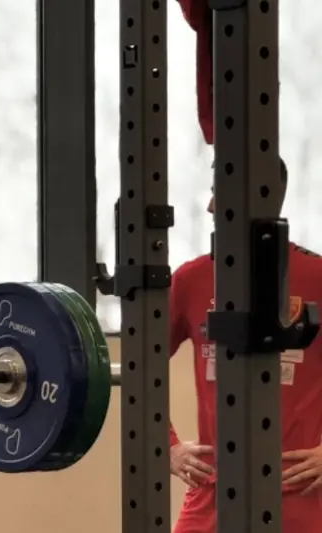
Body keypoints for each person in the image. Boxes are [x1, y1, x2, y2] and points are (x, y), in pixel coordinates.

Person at [168, 159, 322, 533]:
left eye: (219, 194)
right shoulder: (190, 279)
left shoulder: (317, 278)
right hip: (212, 491)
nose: (210, 207)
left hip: (299, 491)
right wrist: (167, 446)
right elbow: (139, 366)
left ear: (258, 197)